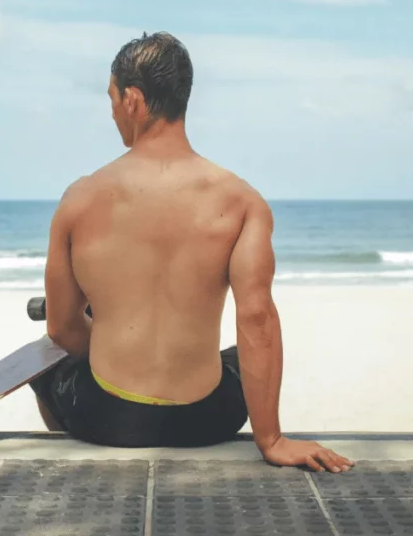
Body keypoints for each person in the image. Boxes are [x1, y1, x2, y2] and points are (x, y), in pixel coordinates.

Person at [29, 32, 354, 473]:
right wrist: (271, 440)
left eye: (111, 98)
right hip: (207, 419)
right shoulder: (242, 201)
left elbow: (63, 329)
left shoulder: (79, 199)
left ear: (133, 100)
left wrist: (111, 345)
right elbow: (257, 319)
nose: (110, 111)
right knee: (237, 357)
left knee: (45, 366)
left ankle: (73, 461)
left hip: (105, 418)